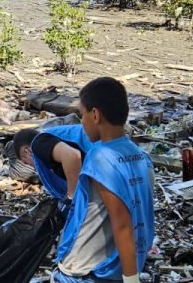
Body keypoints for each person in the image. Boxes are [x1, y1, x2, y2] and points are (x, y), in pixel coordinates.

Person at [54, 77, 153, 283]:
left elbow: (122, 223)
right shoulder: (140, 156)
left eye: (82, 115)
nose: (82, 122)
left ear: (96, 114)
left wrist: (132, 280)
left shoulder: (101, 158)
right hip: (117, 268)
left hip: (86, 271)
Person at [13, 125, 89, 204]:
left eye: (26, 162)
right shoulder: (51, 139)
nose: (31, 166)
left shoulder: (38, 143)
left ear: (26, 151)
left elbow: (72, 156)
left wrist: (73, 198)